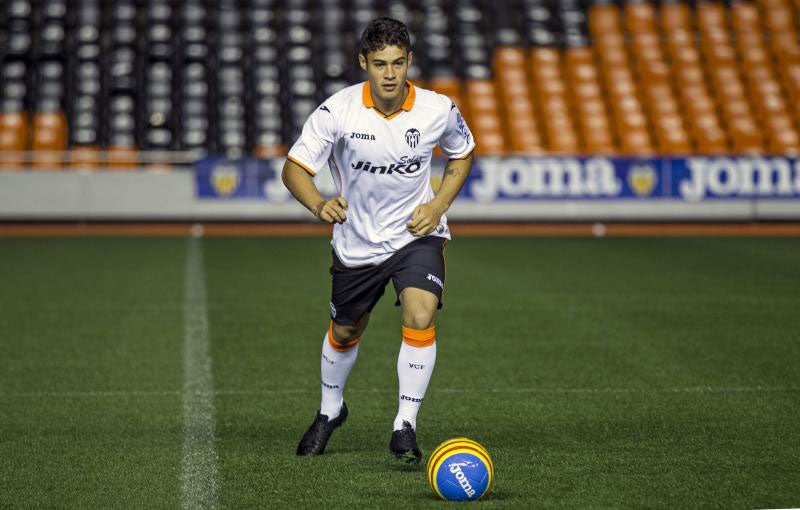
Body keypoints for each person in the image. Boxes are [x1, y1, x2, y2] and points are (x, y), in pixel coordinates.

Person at [281, 16, 475, 464]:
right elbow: (294, 169)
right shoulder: (337, 111)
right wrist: (317, 203)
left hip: (415, 235)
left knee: (421, 314)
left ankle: (404, 424)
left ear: (409, 62)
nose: (390, 74)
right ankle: (330, 410)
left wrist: (439, 205)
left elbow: (462, 152)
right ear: (363, 63)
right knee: (346, 329)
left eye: (399, 63)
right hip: (358, 242)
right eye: (380, 64)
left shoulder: (437, 109)